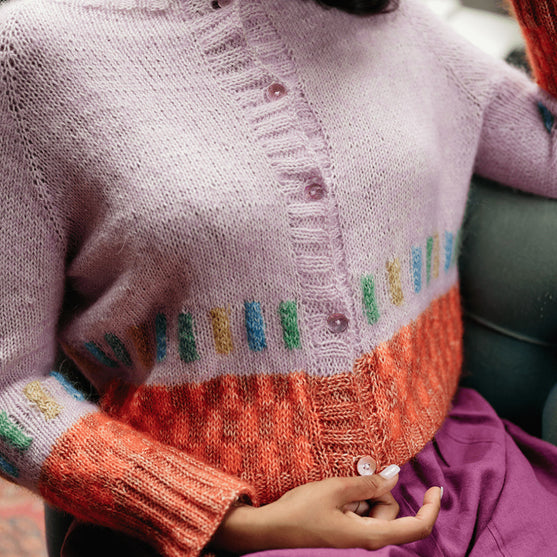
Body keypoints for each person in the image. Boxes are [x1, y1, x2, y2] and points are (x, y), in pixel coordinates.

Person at [0, 0, 556, 555]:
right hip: (211, 526)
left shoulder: (394, 23)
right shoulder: (34, 54)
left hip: (454, 478)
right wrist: (229, 521)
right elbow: (8, 391)